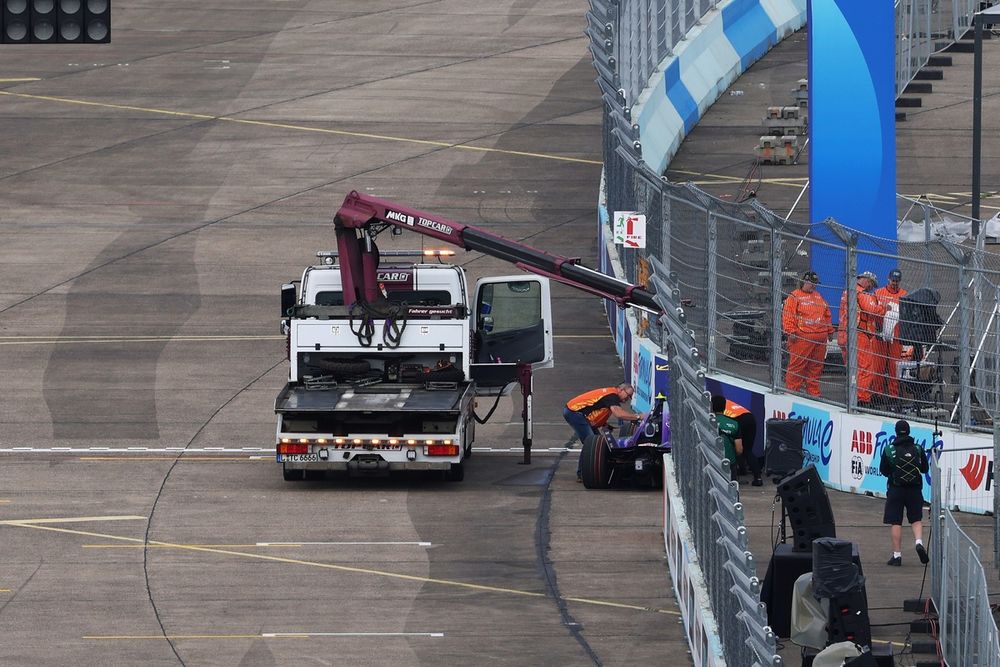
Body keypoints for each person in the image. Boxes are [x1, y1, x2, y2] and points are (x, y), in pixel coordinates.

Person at [564, 384, 643, 482]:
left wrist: (604, 424)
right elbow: (619, 414)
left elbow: (596, 408)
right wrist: (639, 416)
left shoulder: (610, 394)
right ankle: (583, 474)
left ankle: (584, 472)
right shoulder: (612, 396)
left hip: (576, 412)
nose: (628, 399)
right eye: (628, 395)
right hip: (574, 412)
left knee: (597, 443)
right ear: (621, 390)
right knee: (592, 444)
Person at [879, 420, 930, 566]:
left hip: (896, 489)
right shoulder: (918, 448)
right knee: (916, 519)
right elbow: (925, 469)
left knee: (896, 521)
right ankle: (919, 542)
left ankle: (897, 556)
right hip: (914, 489)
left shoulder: (889, 449)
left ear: (896, 432)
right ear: (909, 431)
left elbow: (883, 470)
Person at [782, 270, 834, 397]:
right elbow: (788, 315)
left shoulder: (818, 296)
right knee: (797, 366)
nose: (814, 286)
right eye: (812, 283)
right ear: (804, 281)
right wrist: (790, 331)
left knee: (816, 368)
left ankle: (813, 394)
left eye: (815, 284)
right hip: (801, 338)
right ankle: (792, 392)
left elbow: (827, 314)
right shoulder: (794, 296)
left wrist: (830, 331)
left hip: (820, 339)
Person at [838, 271, 887, 406]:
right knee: (866, 369)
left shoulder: (847, 292)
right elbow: (872, 310)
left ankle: (853, 396)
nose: (871, 286)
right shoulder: (861, 293)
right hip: (859, 335)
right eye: (871, 283)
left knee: (852, 368)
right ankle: (862, 399)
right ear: (866, 280)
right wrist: (884, 308)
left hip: (844, 333)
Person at [874, 269, 908, 405]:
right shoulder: (879, 292)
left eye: (897, 281)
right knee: (879, 365)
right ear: (888, 279)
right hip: (881, 333)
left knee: (894, 366)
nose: (894, 283)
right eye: (893, 280)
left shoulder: (904, 295)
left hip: (896, 335)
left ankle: (893, 395)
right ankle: (877, 394)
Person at [714, 395, 762, 486]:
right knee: (747, 450)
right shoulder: (724, 401)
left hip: (738, 419)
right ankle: (758, 477)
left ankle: (738, 471)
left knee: (735, 445)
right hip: (749, 417)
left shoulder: (714, 404)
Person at [711, 395, 743, 481]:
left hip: (712, 460)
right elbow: (739, 449)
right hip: (729, 462)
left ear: (711, 406)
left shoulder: (707, 421)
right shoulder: (734, 424)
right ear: (724, 407)